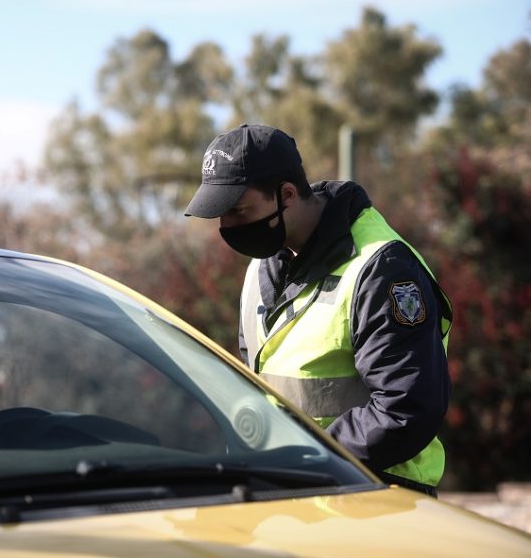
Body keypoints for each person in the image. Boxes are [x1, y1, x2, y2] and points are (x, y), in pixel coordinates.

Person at [184, 124, 452, 496]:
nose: (227, 226)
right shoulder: (259, 270)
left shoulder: (380, 268)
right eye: (219, 215)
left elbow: (405, 410)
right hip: (292, 494)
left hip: (377, 498)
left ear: (287, 194)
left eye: (238, 210)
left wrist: (307, 459)